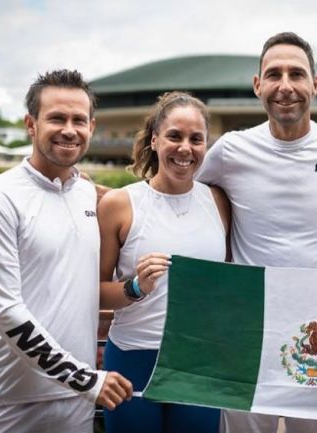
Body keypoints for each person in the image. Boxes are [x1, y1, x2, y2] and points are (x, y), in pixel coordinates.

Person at [196, 32, 317, 433]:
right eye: (274, 74)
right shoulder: (229, 150)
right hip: (247, 325)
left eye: (297, 74)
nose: (285, 85)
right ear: (258, 85)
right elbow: (182, 199)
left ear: (316, 83)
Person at [0, 69, 133, 433]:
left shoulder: (89, 193)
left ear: (92, 126)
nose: (69, 129)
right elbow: (6, 312)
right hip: (6, 401)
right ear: (31, 124)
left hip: (75, 403)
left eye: (78, 120)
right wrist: (84, 378)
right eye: (56, 117)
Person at [98, 91, 230, 433]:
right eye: (174, 136)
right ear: (154, 139)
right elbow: (94, 292)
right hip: (133, 357)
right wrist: (135, 287)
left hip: (199, 360)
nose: (185, 148)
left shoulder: (218, 201)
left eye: (196, 139)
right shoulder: (120, 204)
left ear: (206, 146)